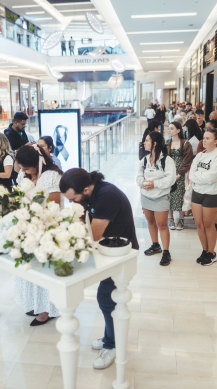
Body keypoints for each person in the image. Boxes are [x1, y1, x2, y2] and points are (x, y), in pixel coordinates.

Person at [60, 168, 138, 370]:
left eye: (73, 198)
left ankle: (112, 346)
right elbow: (81, 221)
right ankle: (108, 338)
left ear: (85, 189)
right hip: (107, 249)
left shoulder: (106, 196)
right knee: (106, 296)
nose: (71, 202)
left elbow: (93, 234)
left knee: (107, 297)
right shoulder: (89, 193)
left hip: (121, 252)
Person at [15, 144, 63, 326]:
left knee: (44, 270)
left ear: (36, 162)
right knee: (31, 269)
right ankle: (36, 303)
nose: (24, 171)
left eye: (26, 167)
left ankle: (48, 309)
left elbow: (55, 204)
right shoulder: (25, 175)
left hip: (48, 227)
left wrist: (31, 203)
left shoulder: (51, 176)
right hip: (28, 227)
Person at [137, 131, 176, 266]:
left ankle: (166, 252)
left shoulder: (167, 160)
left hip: (161, 197)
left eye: (147, 140)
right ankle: (155, 245)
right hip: (146, 196)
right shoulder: (145, 159)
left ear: (154, 144)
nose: (144, 143)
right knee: (150, 222)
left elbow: (170, 179)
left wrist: (154, 184)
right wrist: (142, 183)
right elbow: (138, 176)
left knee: (162, 225)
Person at [189, 127, 217, 266]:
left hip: (212, 194)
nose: (204, 141)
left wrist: (198, 176)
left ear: (216, 141)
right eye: (204, 138)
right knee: (199, 224)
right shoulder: (199, 155)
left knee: (208, 224)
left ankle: (211, 253)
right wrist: (199, 177)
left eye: (208, 138)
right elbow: (191, 174)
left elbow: (212, 177)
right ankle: (204, 250)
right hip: (197, 193)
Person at [166, 122, 194, 230]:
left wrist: (180, 173)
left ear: (178, 130)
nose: (169, 130)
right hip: (170, 172)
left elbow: (187, 160)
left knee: (180, 194)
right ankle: (171, 218)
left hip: (181, 173)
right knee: (169, 195)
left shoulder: (186, 143)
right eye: (169, 129)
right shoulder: (167, 143)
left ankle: (181, 219)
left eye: (172, 128)